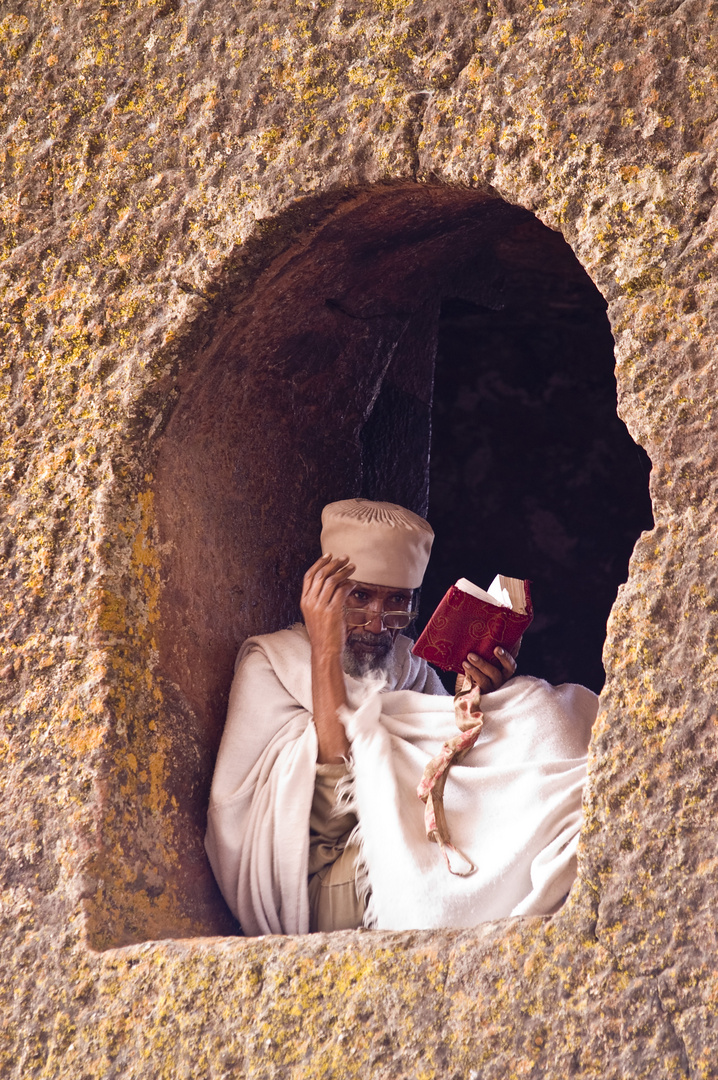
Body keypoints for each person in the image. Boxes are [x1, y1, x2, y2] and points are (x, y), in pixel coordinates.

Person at [205, 499, 598, 936]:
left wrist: (482, 696)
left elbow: (454, 781)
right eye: (360, 597)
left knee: (531, 704)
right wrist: (325, 653)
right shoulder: (273, 663)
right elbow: (331, 825)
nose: (377, 624)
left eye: (396, 602)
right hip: (337, 876)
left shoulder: (410, 670)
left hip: (419, 846)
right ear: (323, 594)